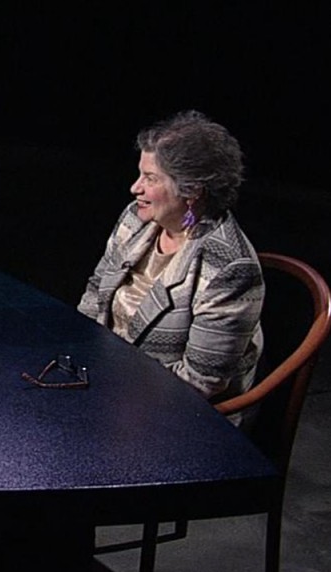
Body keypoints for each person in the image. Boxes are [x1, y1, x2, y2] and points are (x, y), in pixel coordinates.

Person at [77, 110, 264, 411]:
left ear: (192, 190)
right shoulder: (136, 219)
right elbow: (96, 291)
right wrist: (79, 352)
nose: (135, 188)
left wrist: (109, 387)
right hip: (103, 382)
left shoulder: (229, 267)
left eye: (150, 178)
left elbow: (200, 382)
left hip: (173, 411)